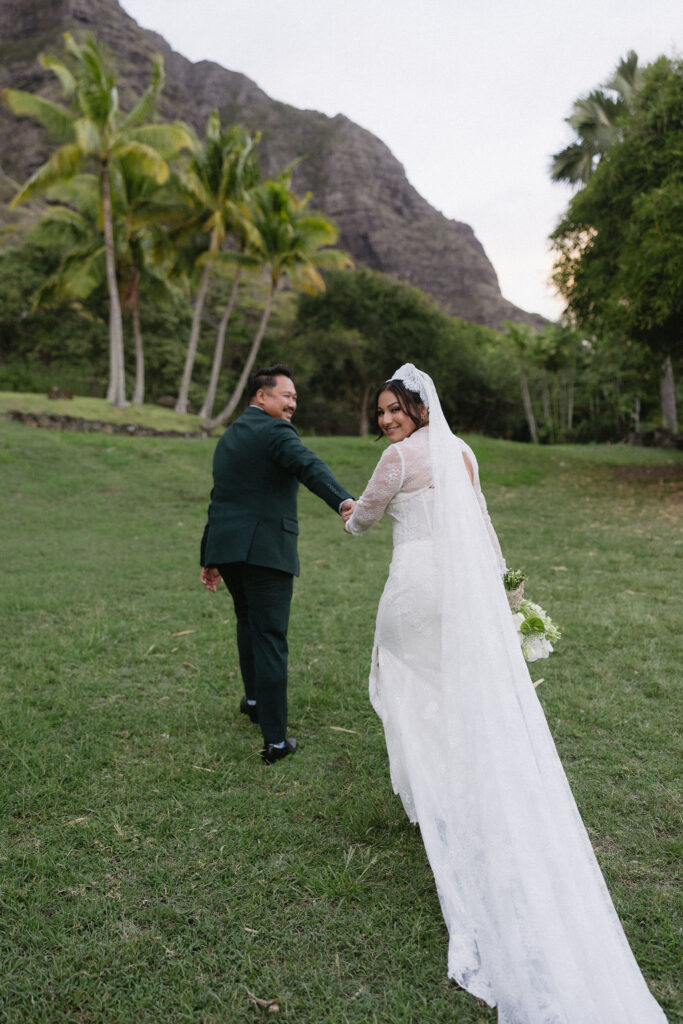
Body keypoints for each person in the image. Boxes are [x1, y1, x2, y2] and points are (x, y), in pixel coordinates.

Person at [342, 364, 666, 1023]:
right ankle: (462, 782)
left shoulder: (395, 460)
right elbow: (482, 524)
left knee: (399, 678)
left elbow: (362, 522)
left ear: (419, 407)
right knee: (456, 689)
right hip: (462, 593)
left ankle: (435, 791)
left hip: (414, 589)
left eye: (395, 408)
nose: (386, 419)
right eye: (380, 412)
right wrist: (504, 591)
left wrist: (349, 510)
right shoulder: (460, 451)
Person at [200, 364, 354, 764]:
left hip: (229, 550)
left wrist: (210, 556)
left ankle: (254, 701)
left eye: (295, 398)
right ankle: (275, 741)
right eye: (286, 395)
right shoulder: (276, 432)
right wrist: (342, 500)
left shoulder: (229, 437)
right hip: (266, 551)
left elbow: (219, 497)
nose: (292, 404)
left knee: (247, 623)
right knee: (269, 636)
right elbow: (309, 465)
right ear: (261, 396)